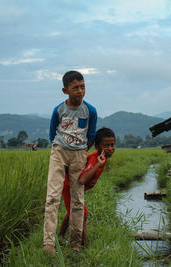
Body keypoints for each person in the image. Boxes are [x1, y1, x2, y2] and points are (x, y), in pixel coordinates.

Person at [43, 70, 97, 254]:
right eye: (75, 88)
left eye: (83, 86)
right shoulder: (59, 110)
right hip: (59, 152)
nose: (80, 91)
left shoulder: (90, 111)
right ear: (65, 90)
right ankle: (48, 244)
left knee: (78, 200)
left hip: (79, 155)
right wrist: (62, 147)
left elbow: (90, 136)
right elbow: (52, 133)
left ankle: (75, 243)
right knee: (52, 197)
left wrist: (80, 151)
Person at [58, 127, 116, 246]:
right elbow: (83, 179)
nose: (110, 148)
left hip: (72, 186)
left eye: (112, 144)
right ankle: (82, 245)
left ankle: (59, 237)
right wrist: (97, 165)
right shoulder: (96, 159)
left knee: (71, 212)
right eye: (106, 145)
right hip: (70, 187)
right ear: (97, 146)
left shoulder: (101, 157)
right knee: (83, 215)